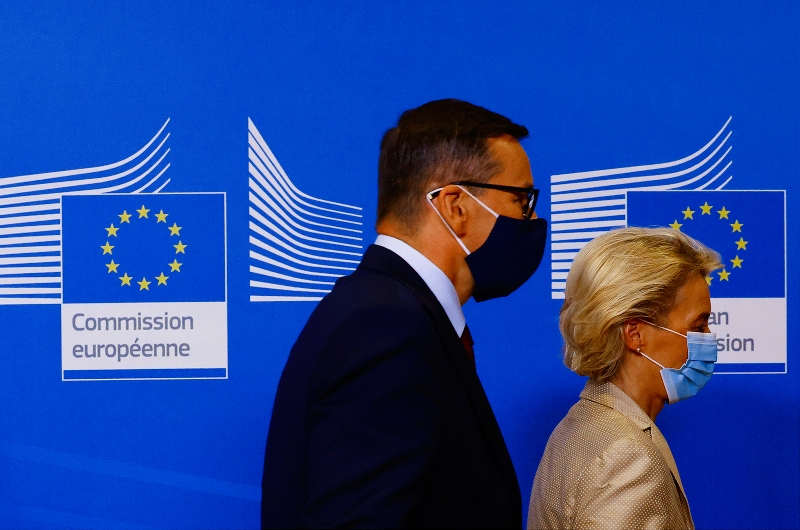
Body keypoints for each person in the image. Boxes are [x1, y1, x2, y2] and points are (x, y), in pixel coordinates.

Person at [261, 99, 548, 528]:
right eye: (521, 199)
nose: (532, 217)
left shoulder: (383, 311)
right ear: (455, 205)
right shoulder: (386, 328)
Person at [527, 227, 721, 530]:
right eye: (697, 327)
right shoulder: (627, 457)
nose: (709, 338)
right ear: (635, 335)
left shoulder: (578, 424)